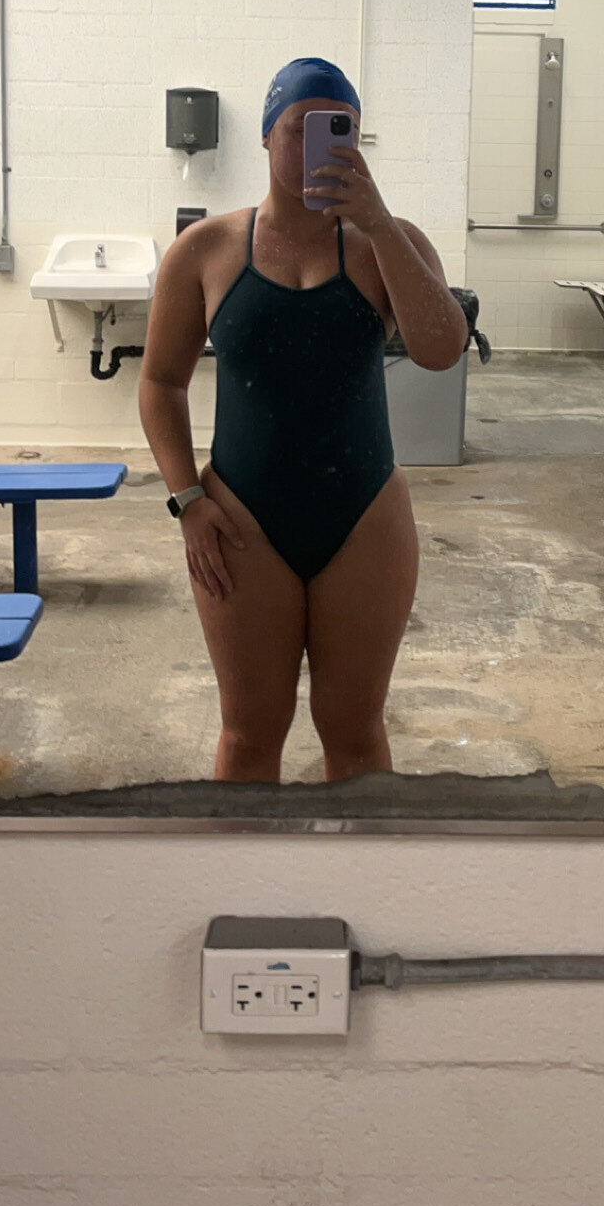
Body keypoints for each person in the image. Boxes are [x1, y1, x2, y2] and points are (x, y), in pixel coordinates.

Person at [139, 56, 468, 784]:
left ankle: (356, 859)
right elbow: (161, 383)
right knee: (249, 732)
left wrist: (377, 223)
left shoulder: (391, 242)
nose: (318, 145)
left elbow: (442, 350)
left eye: (340, 128)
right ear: (266, 135)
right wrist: (187, 499)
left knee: (354, 731)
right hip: (240, 519)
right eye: (301, 128)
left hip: (365, 516)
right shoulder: (207, 249)